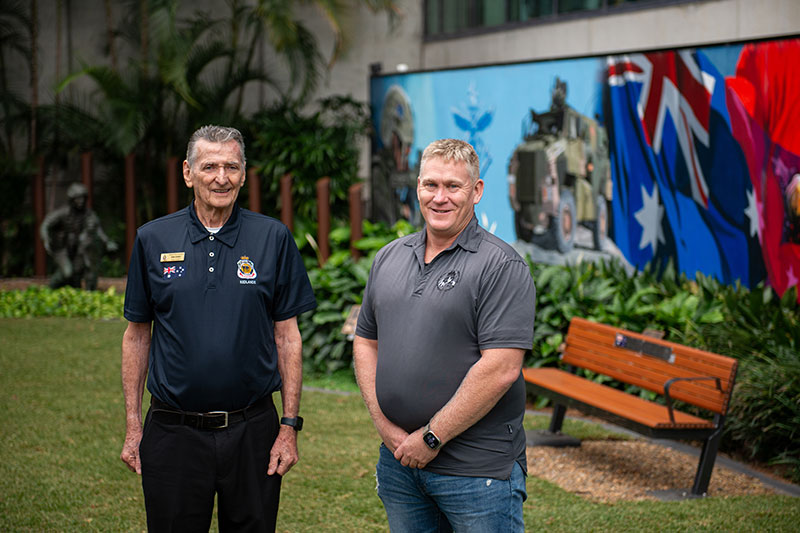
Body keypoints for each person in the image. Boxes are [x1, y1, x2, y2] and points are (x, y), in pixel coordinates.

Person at [120, 125, 316, 532]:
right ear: (189, 173)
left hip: (253, 432)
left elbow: (287, 336)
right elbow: (137, 335)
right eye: (210, 166)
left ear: (244, 174)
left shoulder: (273, 238)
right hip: (173, 432)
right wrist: (134, 426)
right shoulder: (152, 238)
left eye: (232, 166)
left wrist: (289, 426)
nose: (221, 177)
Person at [354, 138, 536, 532]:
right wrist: (386, 428)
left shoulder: (500, 266)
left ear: (477, 191)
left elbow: (501, 368)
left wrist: (432, 438)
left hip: (476, 472)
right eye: (430, 185)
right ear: (417, 186)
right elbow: (366, 341)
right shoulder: (389, 256)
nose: (440, 198)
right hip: (400, 463)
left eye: (453, 186)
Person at [40, 182, 118, 290]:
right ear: (72, 200)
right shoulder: (63, 213)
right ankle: (50, 289)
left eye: (82, 198)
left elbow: (98, 230)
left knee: (78, 271)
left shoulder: (88, 214)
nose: (80, 202)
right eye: (77, 199)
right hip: (62, 249)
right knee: (67, 272)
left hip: (77, 249)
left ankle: (73, 293)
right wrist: (46, 238)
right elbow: (46, 224)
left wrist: (107, 242)